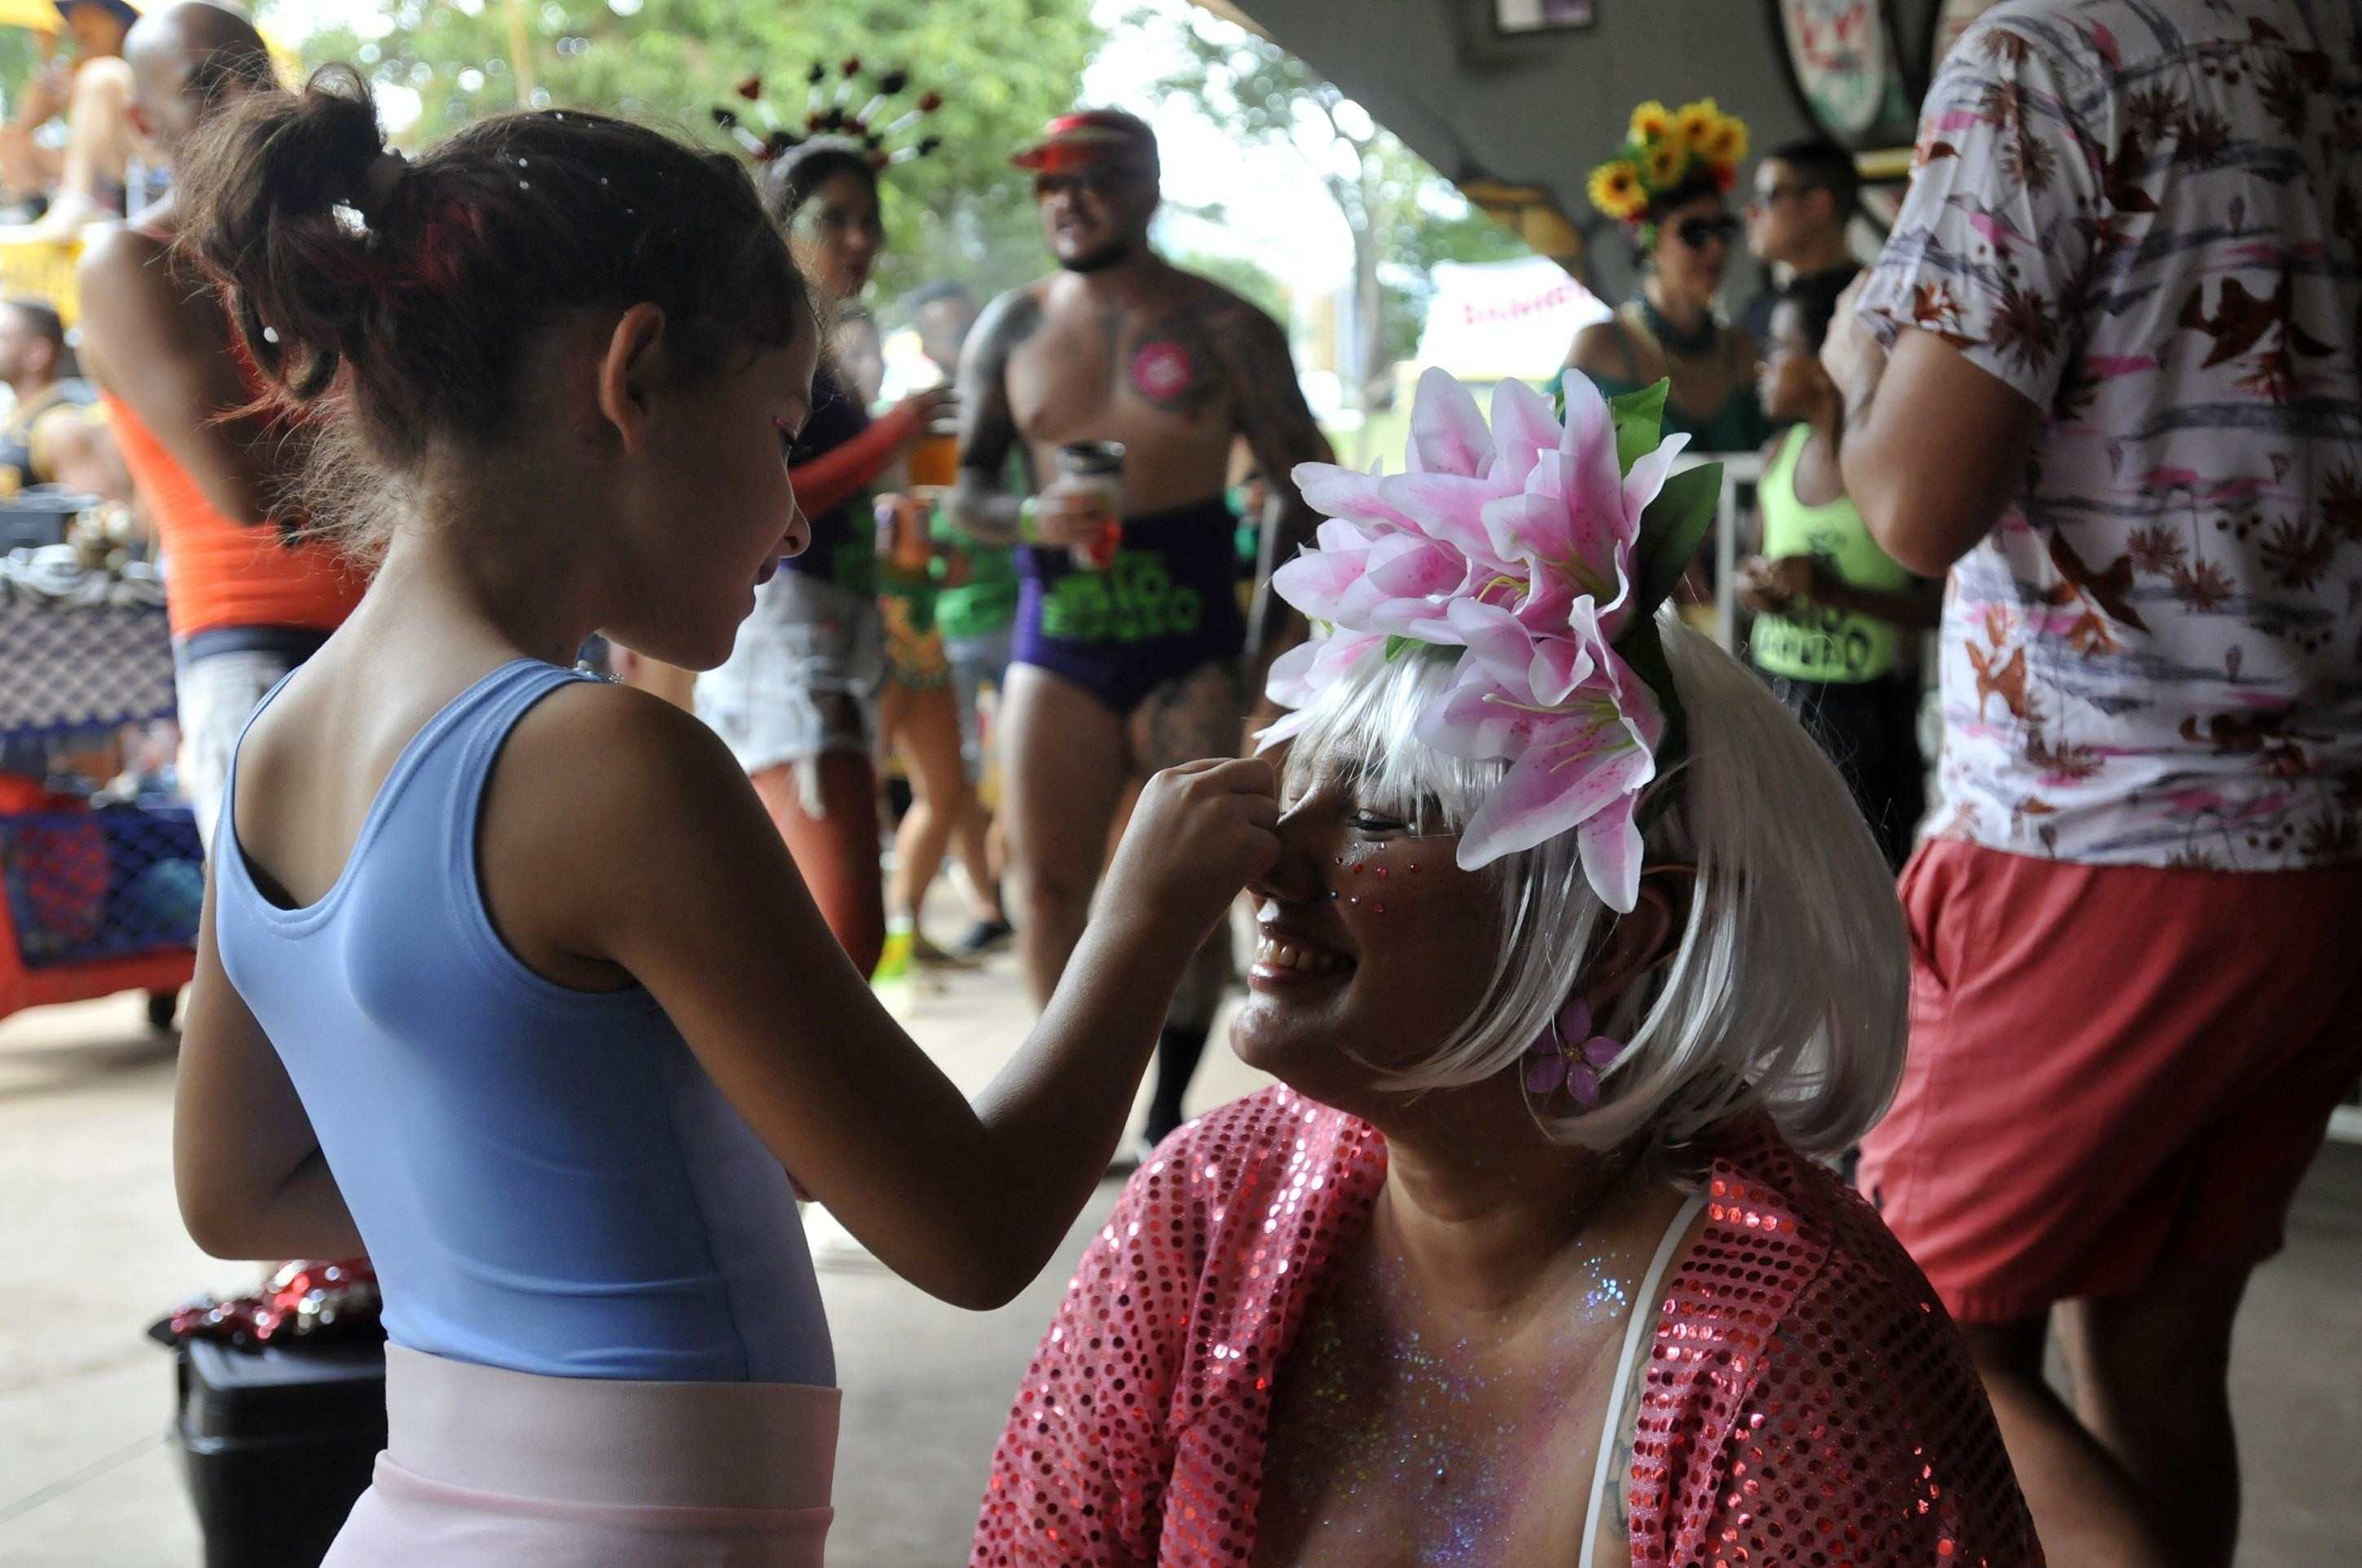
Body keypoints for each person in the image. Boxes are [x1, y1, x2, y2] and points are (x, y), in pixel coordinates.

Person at [170, 68, 1282, 1560]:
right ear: (628, 381)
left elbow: (237, 1191)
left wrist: (619, 1177)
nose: (794, 509)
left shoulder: (273, 746)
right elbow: (972, 1228)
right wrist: (1146, 909)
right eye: (772, 428)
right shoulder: (605, 765)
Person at [973, 370, 2040, 1567]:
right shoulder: (1209, 1205)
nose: (1269, 858)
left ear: (1620, 931)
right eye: (1291, 791)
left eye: (1377, 814)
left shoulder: (1787, 1349)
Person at [1825, 3, 2362, 1564]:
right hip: (2315, 846)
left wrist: (1863, 357)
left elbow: (1916, 505)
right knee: (2150, 1355)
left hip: (2095, 834)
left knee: (1905, 1329)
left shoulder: (2043, 58)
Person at [952, 108, 1332, 1149]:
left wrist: (1274, 644)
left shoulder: (1226, 327)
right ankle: (1065, 1108)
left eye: (1093, 178)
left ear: (1148, 185)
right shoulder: (1013, 327)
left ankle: (1166, 1112)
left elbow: (1308, 485)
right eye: (1049, 183)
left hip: (1192, 639)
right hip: (1059, 634)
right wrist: (1034, 517)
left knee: (1203, 889)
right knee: (1043, 876)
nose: (1067, 199)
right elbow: (966, 494)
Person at [75, 0, 364, 850]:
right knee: (288, 954)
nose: (245, 103)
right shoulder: (129, 262)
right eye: (207, 86)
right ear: (140, 120)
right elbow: (249, 485)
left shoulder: (316, 257)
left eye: (259, 81)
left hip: (395, 629)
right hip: (261, 649)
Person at [694, 138, 952, 978]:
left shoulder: (817, 343)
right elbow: (778, 493)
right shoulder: (761, 341)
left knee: (826, 925)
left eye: (868, 221)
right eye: (832, 218)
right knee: (845, 933)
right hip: (788, 645)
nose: (857, 240)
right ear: (781, 221)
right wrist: (893, 435)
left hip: (836, 639)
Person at [1737, 276, 1937, 869]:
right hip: (1775, 694)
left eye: (1779, 349)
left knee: (1865, 872)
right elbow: (1750, 566)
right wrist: (1756, 589)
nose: (1763, 366)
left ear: (1829, 358)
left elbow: (1935, 608)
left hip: (1866, 715)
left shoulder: (1890, 466)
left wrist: (1833, 592)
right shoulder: (1779, 458)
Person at [1568, 98, 1767, 453]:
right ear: (1648, 242)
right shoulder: (1601, 347)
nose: (1716, 249)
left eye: (1723, 230)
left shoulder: (1742, 353)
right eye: (1694, 233)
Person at [0, 0, 140, 233]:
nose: (80, 26)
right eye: (73, 17)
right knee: (7, 139)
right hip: (82, 176)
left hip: (130, 173)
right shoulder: (75, 71)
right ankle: (36, 214)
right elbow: (20, 129)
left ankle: (80, 201)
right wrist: (46, 63)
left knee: (101, 75)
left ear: (120, 22)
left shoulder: (131, 64)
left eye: (91, 15)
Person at [1738, 138, 1861, 345]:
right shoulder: (1755, 318)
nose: (1750, 212)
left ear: (1817, 205)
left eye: (1767, 197)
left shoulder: (1871, 306)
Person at [0, 296, 125, 499]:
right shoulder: (16, 420)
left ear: (36, 353)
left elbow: (97, 521)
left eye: (2, 338)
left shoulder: (60, 428)